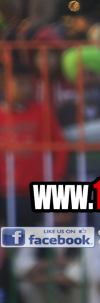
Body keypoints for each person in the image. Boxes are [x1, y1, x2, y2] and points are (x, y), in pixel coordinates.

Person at [0, 57, 67, 227]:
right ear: (4, 85)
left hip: (36, 189)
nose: (27, 89)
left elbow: (60, 147)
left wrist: (53, 178)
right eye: (20, 84)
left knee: (36, 234)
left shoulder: (42, 111)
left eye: (29, 84)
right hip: (5, 191)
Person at [13, 211, 85, 303]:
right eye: (56, 213)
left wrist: (47, 277)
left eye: (66, 213)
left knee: (81, 284)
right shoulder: (34, 233)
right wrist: (56, 262)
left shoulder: (85, 233)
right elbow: (20, 267)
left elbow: (83, 272)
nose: (60, 218)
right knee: (26, 286)